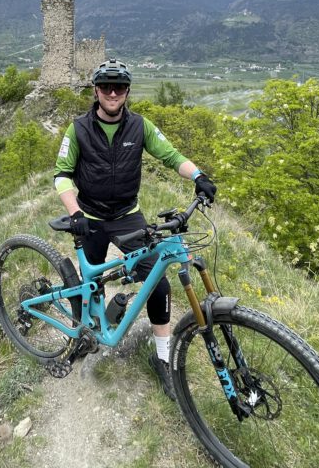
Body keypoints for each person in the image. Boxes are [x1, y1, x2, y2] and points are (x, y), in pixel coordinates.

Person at [53, 58, 217, 400]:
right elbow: (62, 176)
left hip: (129, 215)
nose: (113, 93)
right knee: (87, 286)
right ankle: (79, 336)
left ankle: (162, 358)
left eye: (120, 87)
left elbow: (171, 156)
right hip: (91, 218)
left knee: (158, 284)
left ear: (127, 92)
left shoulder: (140, 126)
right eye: (106, 87)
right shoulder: (78, 129)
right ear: (96, 91)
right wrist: (76, 212)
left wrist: (198, 175)